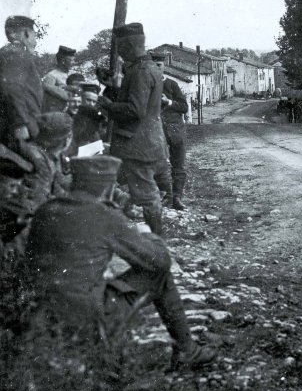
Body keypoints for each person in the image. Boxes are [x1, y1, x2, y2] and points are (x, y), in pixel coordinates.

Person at [24, 155, 216, 369]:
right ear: (107, 188)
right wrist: (148, 235)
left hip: (37, 315)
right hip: (85, 319)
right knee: (159, 275)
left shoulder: (46, 210)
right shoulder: (104, 214)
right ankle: (187, 350)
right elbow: (160, 262)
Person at [97, 23, 169, 235]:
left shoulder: (140, 71)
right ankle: (154, 244)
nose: (119, 53)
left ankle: (158, 248)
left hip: (138, 145)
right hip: (147, 141)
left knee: (146, 196)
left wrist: (107, 105)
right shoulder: (148, 68)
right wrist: (113, 87)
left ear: (129, 45)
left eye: (121, 48)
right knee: (142, 193)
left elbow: (135, 110)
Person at [0, 112, 73, 253]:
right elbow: (38, 203)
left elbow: (56, 188)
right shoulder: (40, 161)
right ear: (66, 139)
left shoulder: (46, 156)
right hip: (17, 233)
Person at [150, 51, 189, 210]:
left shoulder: (172, 85)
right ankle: (166, 196)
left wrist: (169, 102)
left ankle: (177, 198)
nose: (156, 68)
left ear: (164, 66)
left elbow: (184, 107)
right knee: (158, 165)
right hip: (155, 132)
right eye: (153, 66)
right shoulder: (146, 84)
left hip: (175, 131)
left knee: (178, 165)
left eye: (159, 65)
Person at [0, 15, 42, 155]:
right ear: (26, 33)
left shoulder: (9, 53)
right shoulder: (17, 53)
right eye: (34, 36)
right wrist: (20, 124)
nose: (35, 42)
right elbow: (11, 87)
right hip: (21, 130)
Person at [42, 45, 76, 112]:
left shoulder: (73, 73)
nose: (74, 63)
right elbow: (47, 100)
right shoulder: (51, 76)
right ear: (63, 61)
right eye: (71, 61)